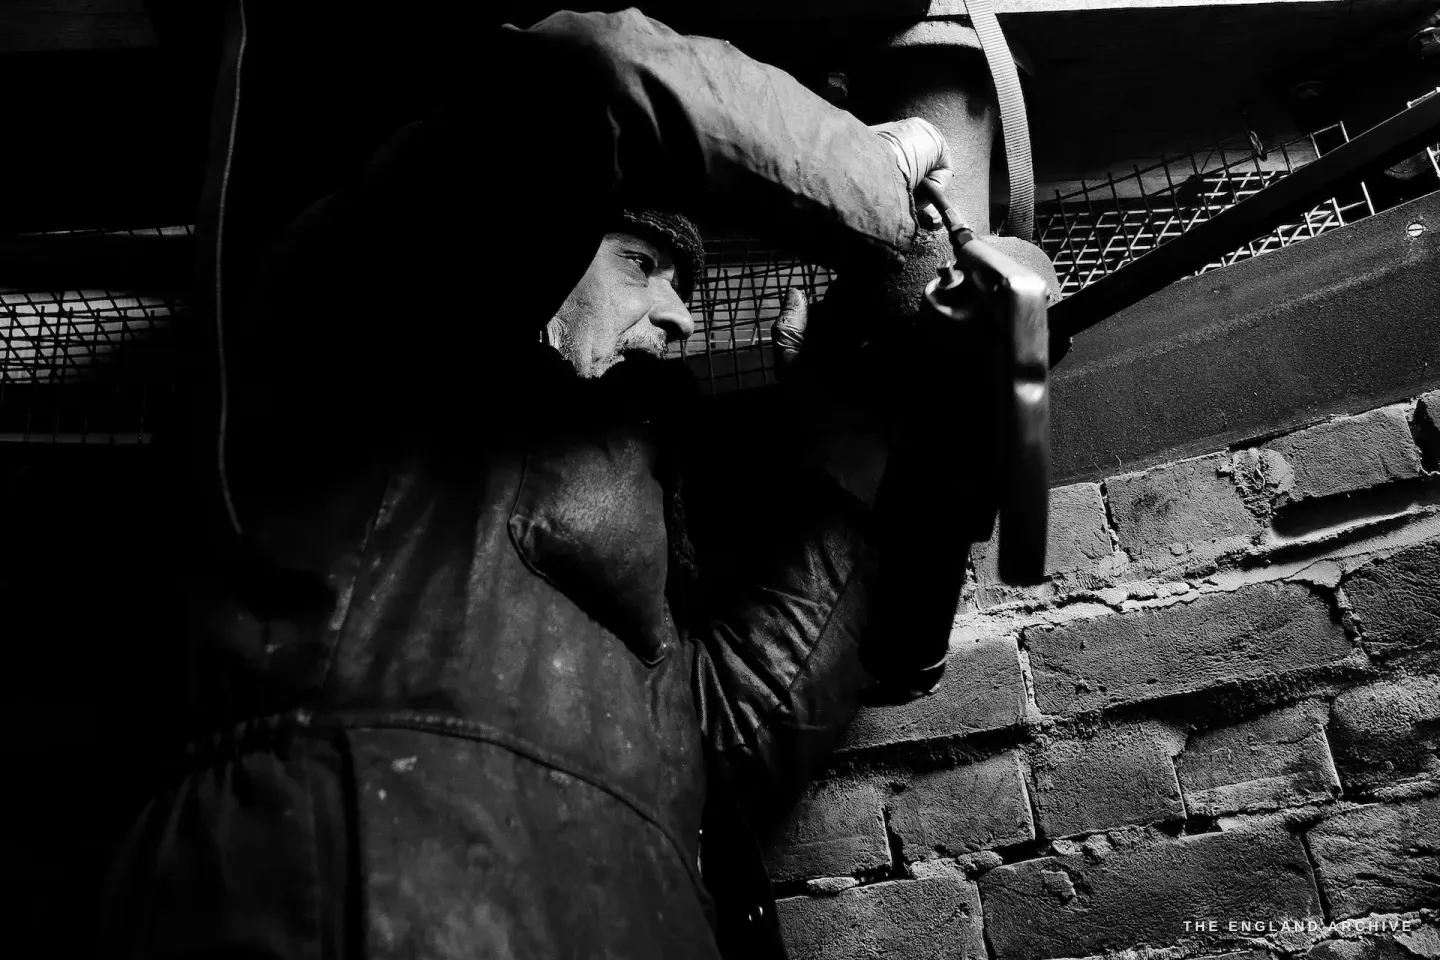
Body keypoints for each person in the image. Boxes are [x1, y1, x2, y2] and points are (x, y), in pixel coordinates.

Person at [99, 8, 964, 959]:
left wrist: (842, 430)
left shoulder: (632, 498)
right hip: (363, 882)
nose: (679, 318)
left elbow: (722, 743)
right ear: (534, 255)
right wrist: (871, 180)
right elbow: (592, 83)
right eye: (643, 263)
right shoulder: (372, 329)